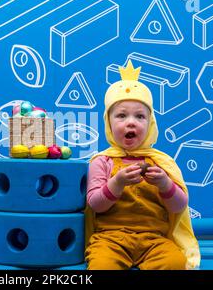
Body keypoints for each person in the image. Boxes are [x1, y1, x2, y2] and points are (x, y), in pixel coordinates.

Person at [85, 60, 200, 270]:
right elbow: (95, 204)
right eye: (121, 115)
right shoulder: (102, 161)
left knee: (175, 263)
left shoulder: (161, 162)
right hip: (111, 239)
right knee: (101, 265)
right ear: (108, 123)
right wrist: (117, 183)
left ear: (151, 123)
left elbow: (179, 206)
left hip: (154, 240)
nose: (131, 122)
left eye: (140, 116)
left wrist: (165, 184)